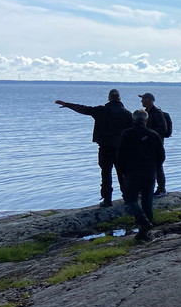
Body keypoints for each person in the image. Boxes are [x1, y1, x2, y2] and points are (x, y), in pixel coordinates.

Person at [54, 89, 133, 207]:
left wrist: (67, 104)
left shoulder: (101, 110)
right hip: (120, 149)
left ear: (109, 98)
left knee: (106, 173)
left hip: (105, 148)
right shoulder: (127, 113)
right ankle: (127, 198)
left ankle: (107, 200)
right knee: (122, 174)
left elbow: (84, 109)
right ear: (119, 98)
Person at [116, 109, 165, 241]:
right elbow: (161, 156)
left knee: (130, 199)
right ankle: (145, 232)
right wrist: (155, 168)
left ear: (133, 119)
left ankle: (142, 221)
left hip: (131, 172)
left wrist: (121, 172)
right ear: (146, 120)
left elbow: (119, 156)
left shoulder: (126, 134)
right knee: (147, 202)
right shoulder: (153, 134)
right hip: (149, 172)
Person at [138, 92, 169, 196]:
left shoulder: (157, 113)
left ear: (149, 100)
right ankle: (145, 189)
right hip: (146, 144)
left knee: (158, 166)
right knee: (145, 167)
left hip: (156, 145)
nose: (141, 101)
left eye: (143, 99)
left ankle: (161, 189)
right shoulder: (145, 113)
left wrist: (148, 133)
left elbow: (163, 129)